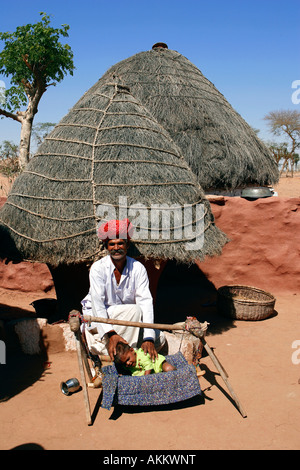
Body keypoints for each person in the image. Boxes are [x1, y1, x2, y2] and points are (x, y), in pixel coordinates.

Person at [81, 218, 165, 361]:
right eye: (112, 244)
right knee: (134, 310)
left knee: (159, 338)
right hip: (102, 319)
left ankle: (115, 350)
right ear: (107, 247)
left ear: (127, 245)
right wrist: (111, 333)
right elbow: (97, 304)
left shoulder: (138, 268)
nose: (116, 247)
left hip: (128, 322)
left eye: (120, 243)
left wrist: (148, 337)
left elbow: (145, 301)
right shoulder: (98, 268)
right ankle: (126, 356)